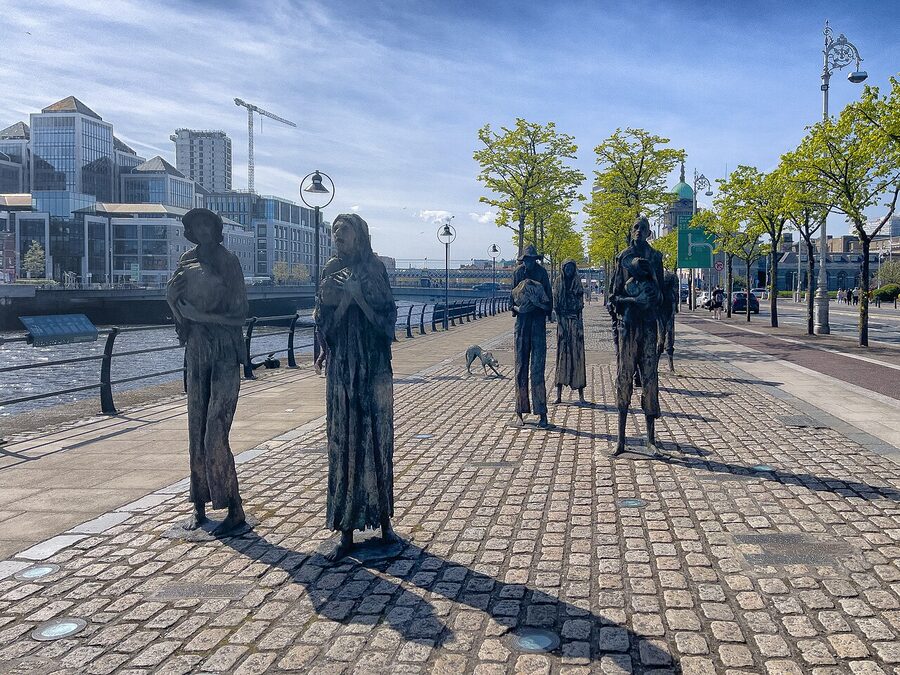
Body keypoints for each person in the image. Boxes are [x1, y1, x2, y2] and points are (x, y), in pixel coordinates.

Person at [315, 214, 398, 561]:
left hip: (373, 366)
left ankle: (383, 521)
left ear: (359, 236)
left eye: (343, 231)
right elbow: (323, 322)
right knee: (344, 441)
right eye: (334, 232)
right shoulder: (330, 270)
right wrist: (345, 302)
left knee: (378, 439)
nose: (337, 237)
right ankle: (345, 527)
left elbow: (388, 322)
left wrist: (359, 298)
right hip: (343, 369)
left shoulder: (374, 269)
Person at [166, 208, 248, 534]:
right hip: (197, 351)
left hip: (225, 350)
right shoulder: (186, 260)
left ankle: (234, 506)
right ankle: (198, 506)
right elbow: (181, 315)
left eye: (206, 224)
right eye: (195, 225)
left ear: (216, 227)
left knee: (215, 432)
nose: (201, 230)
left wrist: (204, 318)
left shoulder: (229, 262)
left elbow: (240, 315)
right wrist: (174, 306)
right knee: (195, 428)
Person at [608, 217, 664, 456]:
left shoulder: (656, 258)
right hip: (628, 326)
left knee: (650, 379)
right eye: (635, 228)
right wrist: (633, 301)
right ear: (631, 231)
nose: (639, 232)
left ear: (649, 232)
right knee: (624, 377)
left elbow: (663, 297)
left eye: (643, 228)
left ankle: (651, 440)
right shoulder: (622, 258)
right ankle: (620, 440)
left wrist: (652, 288)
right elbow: (613, 299)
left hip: (649, 325)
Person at [510, 244, 553, 428]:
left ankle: (542, 412)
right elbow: (511, 302)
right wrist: (520, 308)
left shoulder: (542, 273)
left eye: (531, 260)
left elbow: (548, 301)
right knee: (520, 368)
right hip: (521, 324)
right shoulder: (517, 273)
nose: (528, 263)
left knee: (537, 369)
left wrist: (538, 305)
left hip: (537, 325)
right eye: (526, 260)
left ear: (535, 260)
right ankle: (519, 411)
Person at [554, 259, 587, 404]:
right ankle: (559, 395)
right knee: (562, 357)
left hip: (575, 322)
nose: (569, 270)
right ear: (563, 268)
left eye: (571, 268)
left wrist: (579, 327)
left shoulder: (577, 282)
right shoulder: (558, 282)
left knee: (578, 358)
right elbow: (556, 308)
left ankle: (581, 395)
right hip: (563, 323)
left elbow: (580, 308)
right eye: (567, 268)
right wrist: (560, 326)